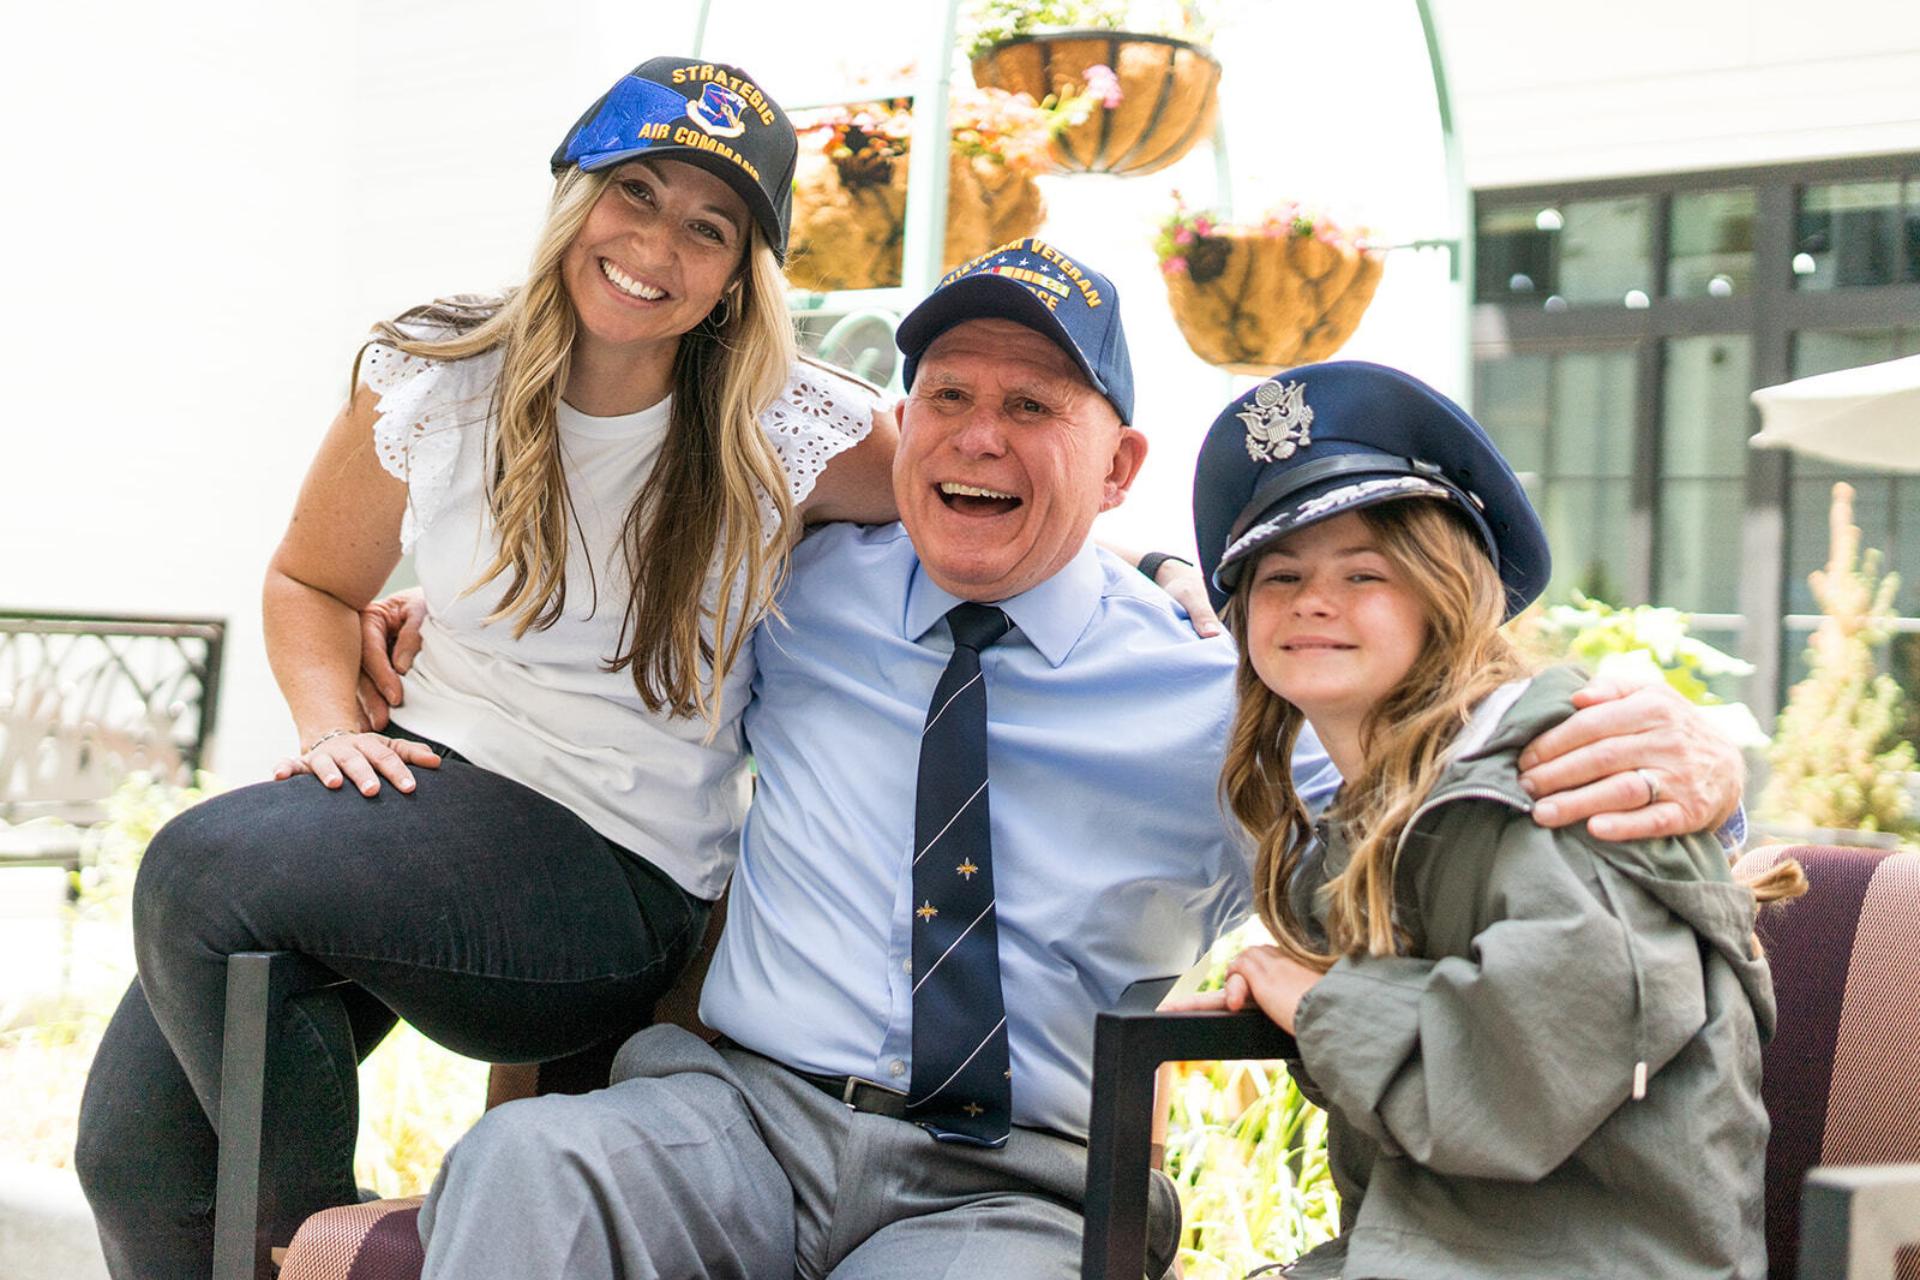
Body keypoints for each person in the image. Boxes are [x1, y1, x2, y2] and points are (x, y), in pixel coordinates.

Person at [403, 241, 1752, 1280]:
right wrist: (414, 631)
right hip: (744, 1117)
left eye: (1033, 404)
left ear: (1120, 467)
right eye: (948, 396)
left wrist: (1701, 767)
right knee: (533, 1163)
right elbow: (584, 639)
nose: (979, 434)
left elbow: (1449, 789)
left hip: (1010, 1182)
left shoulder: (1232, 697)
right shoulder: (794, 592)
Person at [73, 55, 900, 1280]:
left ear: (740, 273)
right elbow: (311, 581)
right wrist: (330, 728)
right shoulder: (438, 372)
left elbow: (977, 503)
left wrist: (1152, 573)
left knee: (204, 869)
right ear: (574, 194)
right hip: (422, 800)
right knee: (136, 1157)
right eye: (634, 193)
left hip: (613, 867)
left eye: (708, 227)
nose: (655, 245)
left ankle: (334, 1252)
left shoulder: (786, 423)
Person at [1179, 361, 1803, 1278]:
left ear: (1447, 595)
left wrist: (1321, 1004)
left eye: (1365, 571)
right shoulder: (1377, 816)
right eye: (1280, 574)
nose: (1313, 600)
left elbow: (1514, 1091)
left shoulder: (1566, 779)